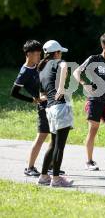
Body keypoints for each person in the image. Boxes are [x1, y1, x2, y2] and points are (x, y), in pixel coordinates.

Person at [73, 33, 105, 171]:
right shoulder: (93, 59)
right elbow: (76, 72)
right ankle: (89, 161)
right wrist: (83, 83)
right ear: (103, 46)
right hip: (95, 100)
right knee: (93, 130)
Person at [37, 40, 74, 187]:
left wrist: (54, 92)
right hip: (60, 108)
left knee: (52, 144)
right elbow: (64, 65)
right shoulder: (57, 62)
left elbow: (42, 95)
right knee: (59, 146)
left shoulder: (42, 69)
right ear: (56, 53)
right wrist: (60, 88)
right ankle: (57, 178)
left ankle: (44, 176)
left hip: (50, 109)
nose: (61, 56)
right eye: (60, 53)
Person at [10, 40, 49, 177]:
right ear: (28, 54)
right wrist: (33, 100)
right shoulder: (24, 72)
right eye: (37, 54)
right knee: (41, 137)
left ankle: (49, 165)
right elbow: (14, 93)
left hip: (51, 105)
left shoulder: (38, 65)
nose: (39, 56)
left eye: (40, 53)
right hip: (43, 107)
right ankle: (30, 168)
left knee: (55, 136)